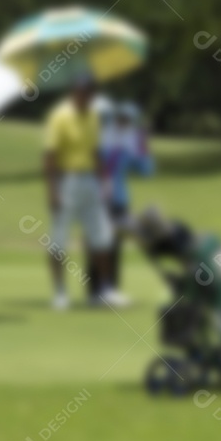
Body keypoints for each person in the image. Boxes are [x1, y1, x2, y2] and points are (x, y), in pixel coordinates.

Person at [43, 73, 123, 310]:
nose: (84, 96)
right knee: (59, 240)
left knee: (102, 237)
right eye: (81, 91)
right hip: (66, 180)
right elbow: (50, 156)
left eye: (88, 92)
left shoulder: (94, 117)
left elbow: (95, 152)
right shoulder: (59, 116)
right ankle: (59, 293)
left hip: (90, 181)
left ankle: (104, 290)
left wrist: (105, 181)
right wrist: (52, 190)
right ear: (73, 92)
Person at [85, 101, 154, 296]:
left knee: (114, 245)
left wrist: (144, 144)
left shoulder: (132, 141)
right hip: (96, 197)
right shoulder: (102, 136)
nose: (123, 121)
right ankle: (95, 290)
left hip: (118, 200)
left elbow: (146, 171)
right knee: (96, 243)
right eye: (121, 117)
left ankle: (110, 289)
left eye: (128, 119)